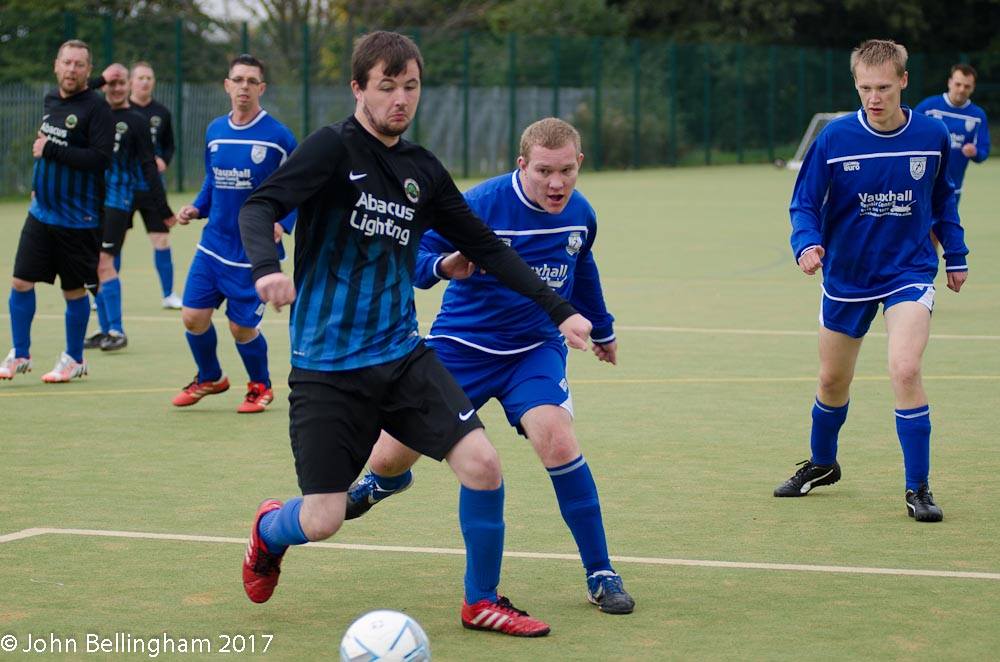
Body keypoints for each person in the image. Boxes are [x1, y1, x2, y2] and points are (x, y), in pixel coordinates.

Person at [237, 31, 593, 637]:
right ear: (358, 88)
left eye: (410, 86)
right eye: (387, 86)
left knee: (482, 463)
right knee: (323, 518)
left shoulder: (422, 170)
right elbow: (259, 207)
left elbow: (484, 247)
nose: (400, 99)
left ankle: (481, 600)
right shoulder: (330, 150)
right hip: (327, 366)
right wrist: (267, 271)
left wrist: (559, 310)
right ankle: (270, 530)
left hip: (403, 356)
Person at [346, 117, 634, 615]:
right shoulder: (479, 204)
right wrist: (443, 266)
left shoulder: (580, 214)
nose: (557, 183)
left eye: (567, 170)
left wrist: (602, 328)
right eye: (544, 171)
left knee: (557, 437)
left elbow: (581, 265)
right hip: (461, 346)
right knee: (389, 458)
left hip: (533, 350)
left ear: (579, 164)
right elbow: (413, 256)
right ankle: (384, 482)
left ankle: (601, 571)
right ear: (521, 164)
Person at [776, 39, 968, 523]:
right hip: (848, 276)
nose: (874, 97)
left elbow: (944, 202)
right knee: (832, 380)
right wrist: (807, 243)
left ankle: (917, 488)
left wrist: (957, 254)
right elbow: (804, 203)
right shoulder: (835, 139)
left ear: (904, 81)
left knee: (904, 369)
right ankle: (822, 463)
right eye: (865, 88)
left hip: (909, 271)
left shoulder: (931, 135)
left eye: (883, 87)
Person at [171, 54, 296, 414]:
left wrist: (282, 224)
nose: (244, 87)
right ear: (227, 85)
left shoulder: (278, 138)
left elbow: (301, 190)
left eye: (251, 81)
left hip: (252, 252)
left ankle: (260, 386)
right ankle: (210, 377)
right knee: (193, 317)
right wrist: (197, 207)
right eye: (238, 80)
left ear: (262, 88)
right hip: (213, 244)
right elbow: (213, 180)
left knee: (241, 330)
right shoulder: (214, 131)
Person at [0, 40, 113, 383]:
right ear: (56, 65)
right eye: (67, 62)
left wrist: (49, 149)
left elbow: (100, 159)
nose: (72, 70)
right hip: (41, 213)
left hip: (78, 219)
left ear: (87, 70)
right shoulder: (52, 99)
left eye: (79, 64)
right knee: (20, 281)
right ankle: (19, 353)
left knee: (73, 291)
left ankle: (74, 359)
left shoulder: (98, 110)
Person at [84, 63, 175, 352]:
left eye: (121, 83)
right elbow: (72, 95)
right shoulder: (94, 114)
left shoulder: (135, 121)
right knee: (93, 264)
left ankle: (117, 330)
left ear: (129, 86)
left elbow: (149, 166)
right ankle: (103, 329)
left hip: (117, 201)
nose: (116, 88)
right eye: (111, 84)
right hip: (91, 201)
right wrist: (100, 79)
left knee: (104, 262)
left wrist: (163, 208)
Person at [128, 61, 183, 309]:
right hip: (122, 189)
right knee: (111, 242)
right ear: (131, 81)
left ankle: (169, 294)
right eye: (140, 77)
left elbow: (169, 145)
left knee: (161, 239)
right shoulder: (116, 110)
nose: (144, 82)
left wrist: (164, 160)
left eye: (149, 78)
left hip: (152, 189)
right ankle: (102, 293)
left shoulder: (162, 113)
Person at [914, 64, 990, 207]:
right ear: (950, 82)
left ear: (973, 88)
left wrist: (975, 152)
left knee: (945, 228)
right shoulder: (929, 107)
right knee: (918, 228)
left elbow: (983, 150)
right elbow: (909, 133)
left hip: (953, 187)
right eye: (958, 84)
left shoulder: (978, 116)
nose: (961, 89)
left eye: (967, 86)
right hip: (923, 184)